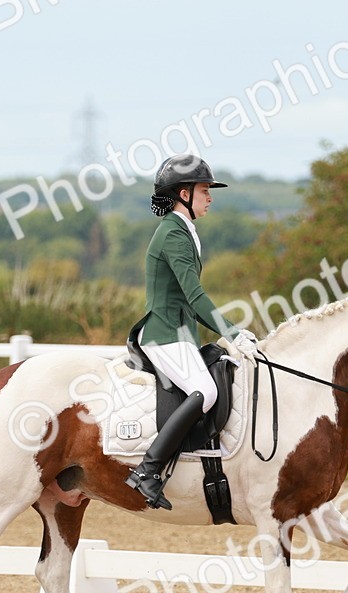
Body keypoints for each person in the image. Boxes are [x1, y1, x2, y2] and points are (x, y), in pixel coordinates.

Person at [124, 154, 259, 510]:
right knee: (206, 391)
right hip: (164, 333)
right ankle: (148, 470)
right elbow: (195, 296)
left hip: (179, 332)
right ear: (183, 194)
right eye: (204, 190)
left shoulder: (184, 230)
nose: (210, 197)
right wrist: (232, 333)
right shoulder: (173, 234)